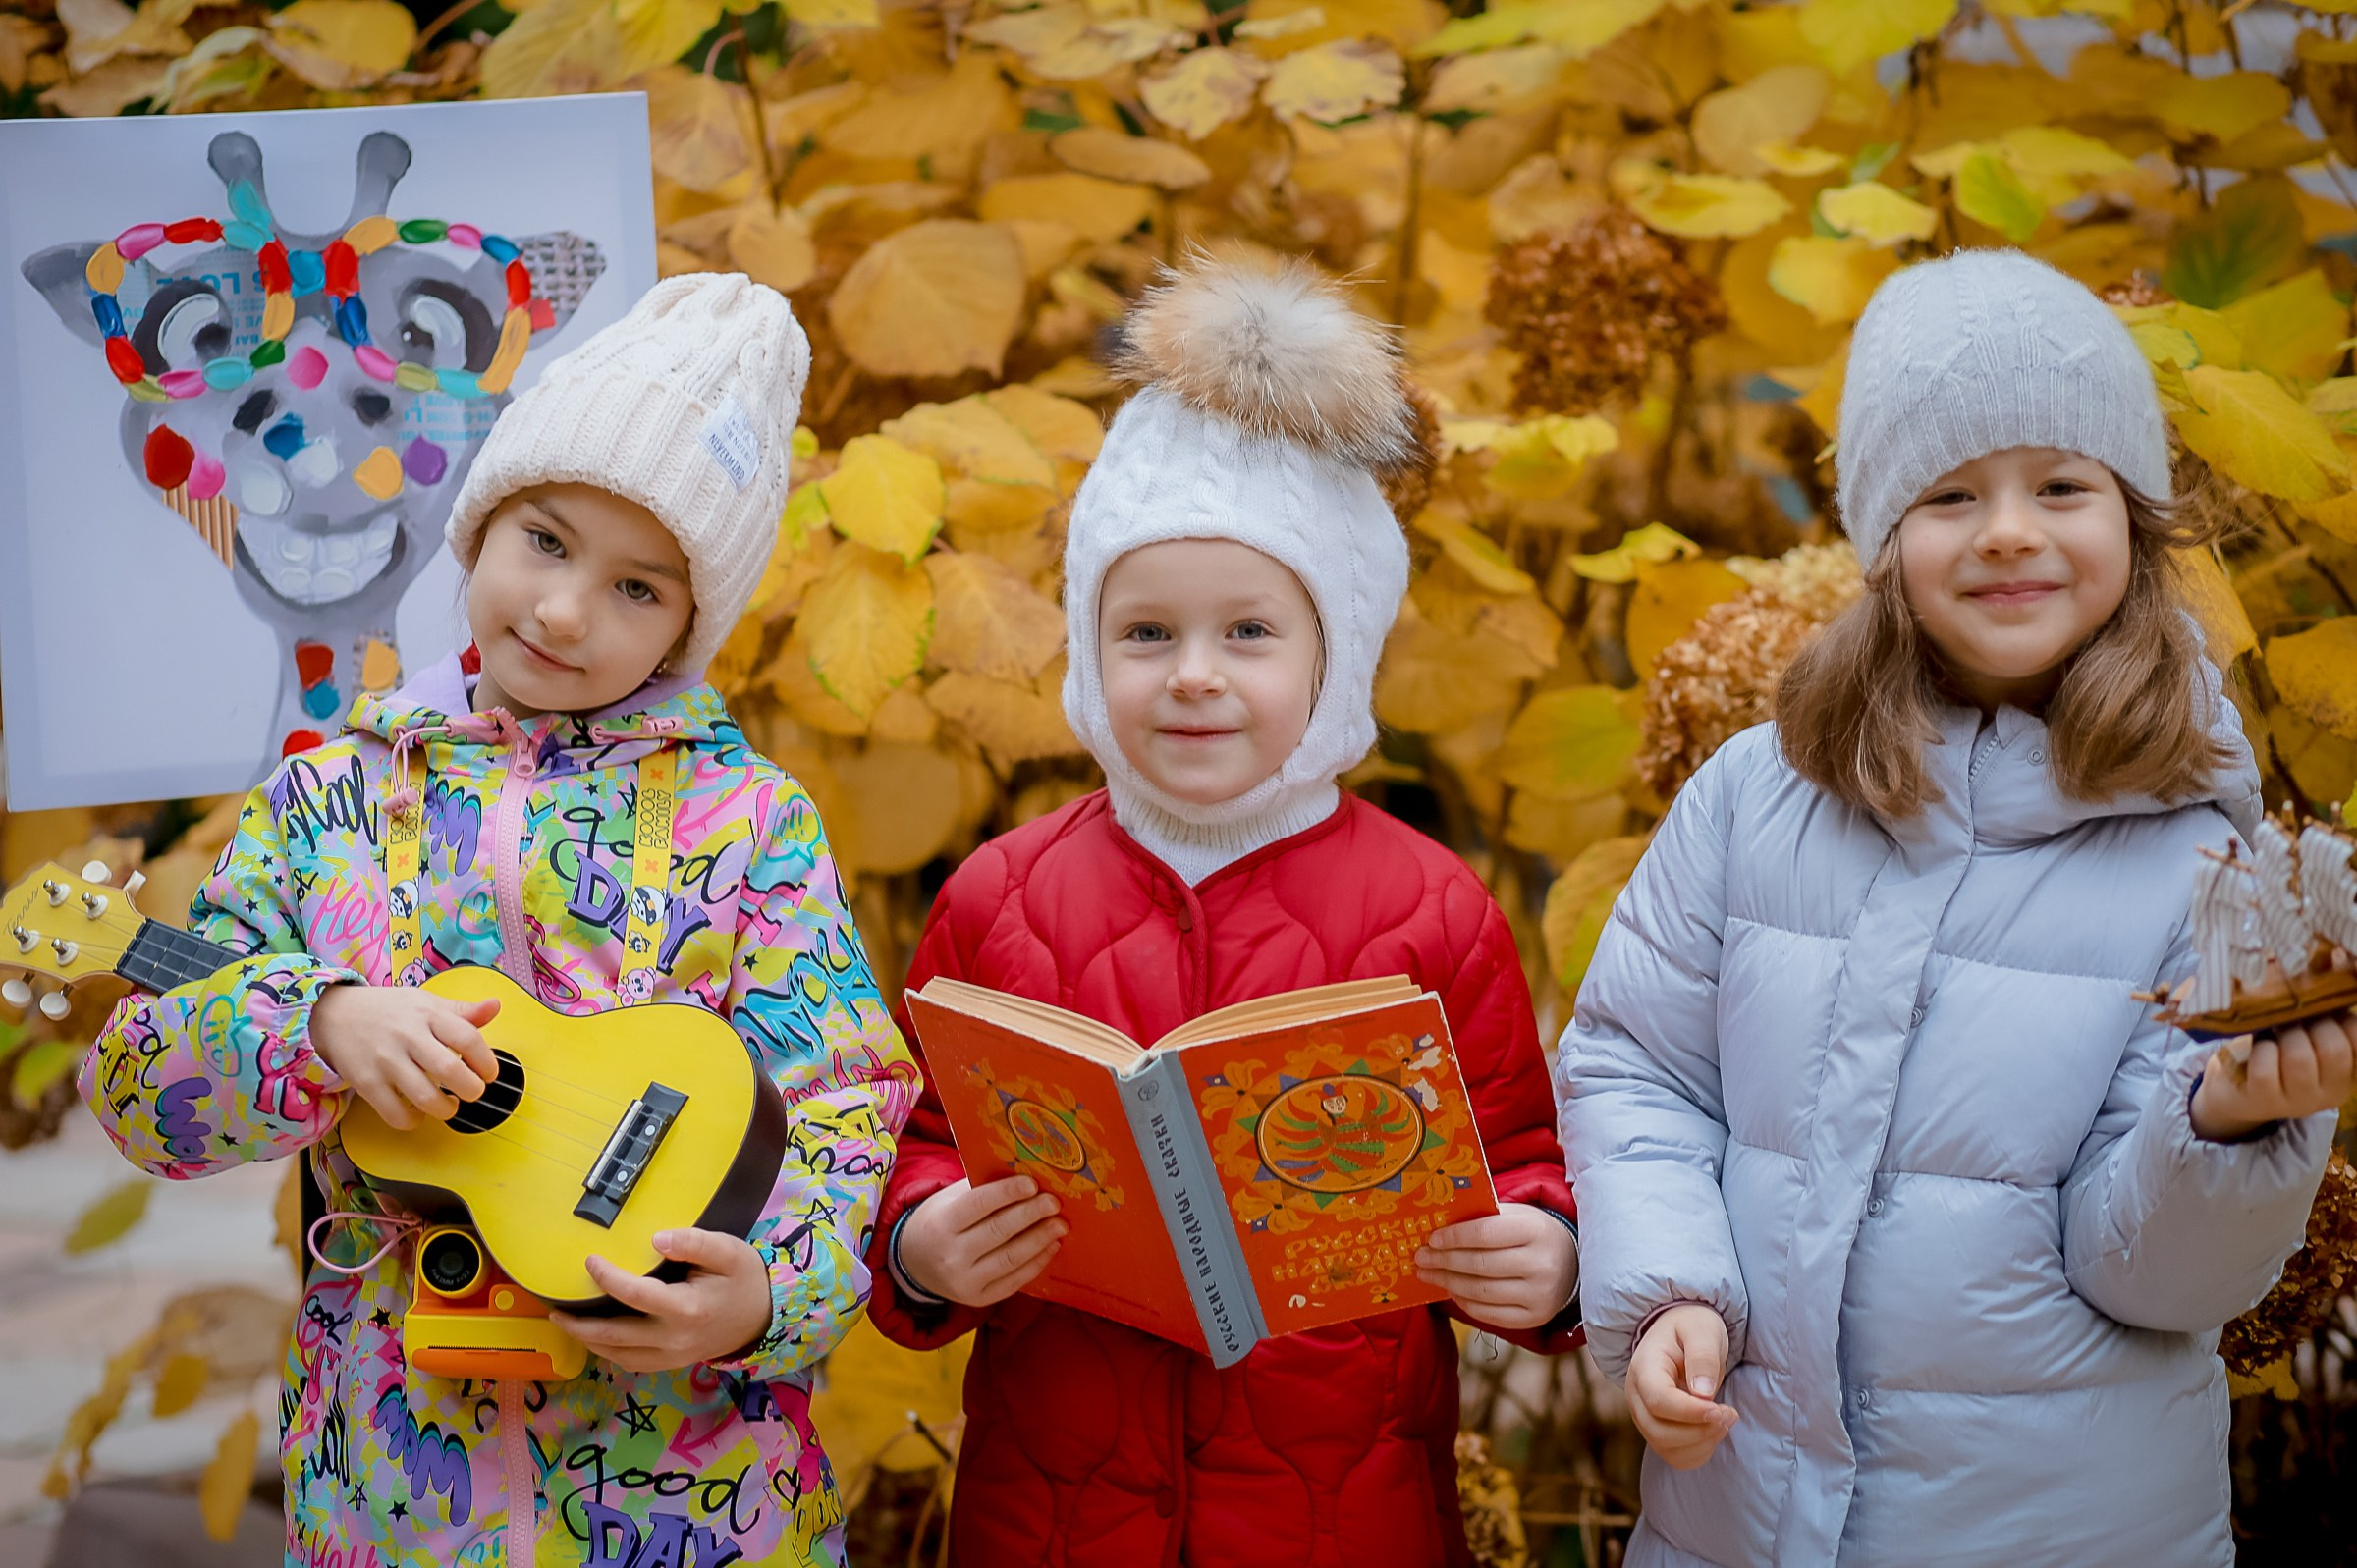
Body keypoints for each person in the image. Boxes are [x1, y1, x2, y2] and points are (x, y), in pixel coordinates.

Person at [80, 274, 918, 1568]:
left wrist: (770, 1298)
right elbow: (145, 1093)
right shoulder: (325, 801)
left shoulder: (750, 823)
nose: (567, 610)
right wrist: (316, 1022)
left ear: (690, 625)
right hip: (391, 1498)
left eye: (639, 589)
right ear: (479, 526)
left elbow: (848, 1096)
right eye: (545, 540)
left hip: (699, 1502)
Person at [1558, 248, 2349, 1568]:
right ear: (1883, 539)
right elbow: (1638, 1068)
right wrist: (1671, 1288)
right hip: (1739, 1516)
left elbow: (2159, 1278)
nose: (2009, 531)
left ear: (2135, 518)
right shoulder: (1756, 798)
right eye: (1949, 492)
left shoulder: (2205, 869)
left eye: (2062, 485)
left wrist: (2230, 1126)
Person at [861, 254, 1581, 1567]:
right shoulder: (999, 896)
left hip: (1339, 1517)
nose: (1195, 676)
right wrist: (920, 1243)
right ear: (1090, 650)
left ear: (1334, 653)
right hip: (1057, 1513)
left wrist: (1546, 1258)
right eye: (1146, 634)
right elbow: (918, 1140)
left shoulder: (1431, 906)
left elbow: (1521, 1154)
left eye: (1250, 631)